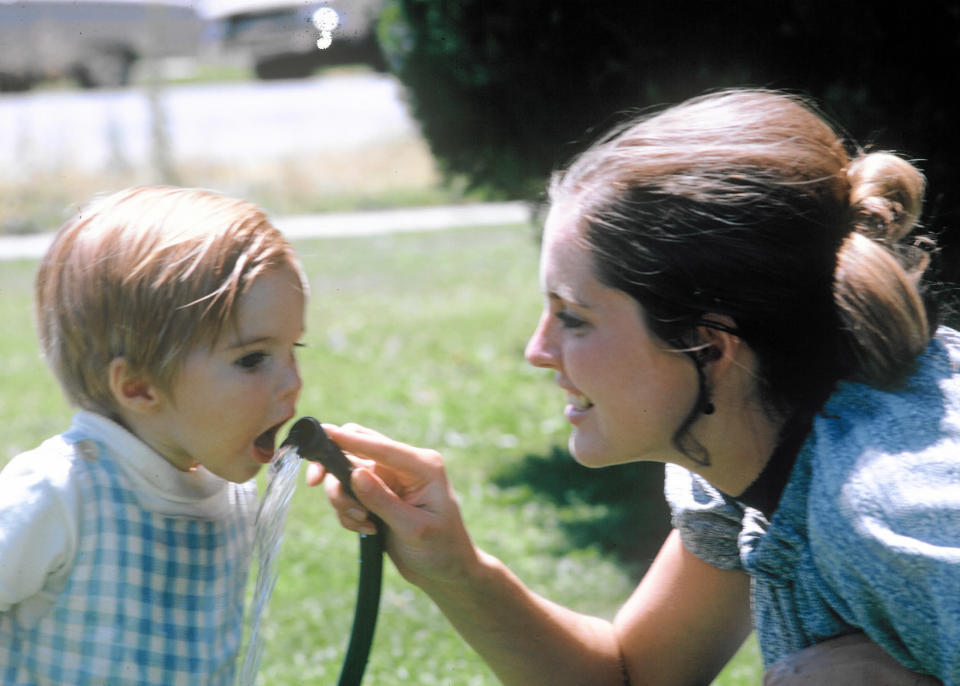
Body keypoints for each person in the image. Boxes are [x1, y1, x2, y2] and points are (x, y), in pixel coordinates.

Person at [311, 88, 959, 685]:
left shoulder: (898, 517)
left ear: (707, 347)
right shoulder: (752, 448)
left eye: (574, 318)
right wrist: (452, 566)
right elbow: (633, 676)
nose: (539, 352)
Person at [0, 186, 307, 684]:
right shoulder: (61, 491)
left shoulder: (232, 495)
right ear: (139, 386)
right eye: (253, 359)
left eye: (294, 348)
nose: (293, 381)